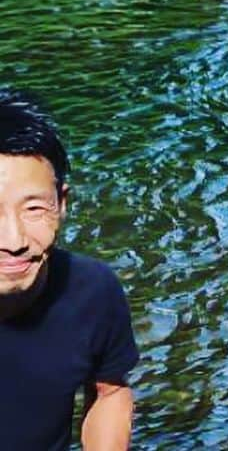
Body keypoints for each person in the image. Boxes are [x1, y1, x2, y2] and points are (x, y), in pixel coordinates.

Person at [0, 93, 138, 450]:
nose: (14, 240)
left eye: (33, 208)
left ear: (62, 204)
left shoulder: (91, 291)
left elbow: (109, 392)